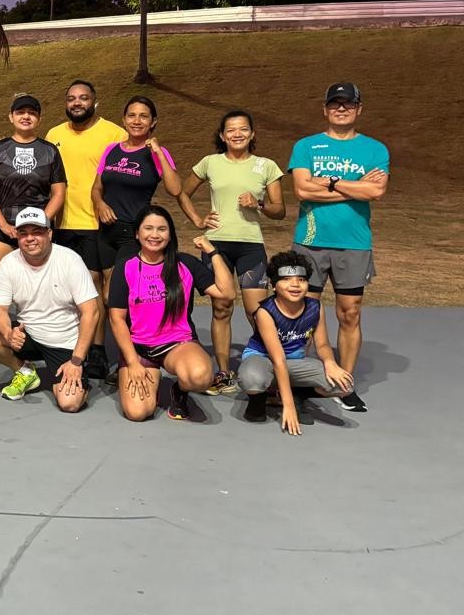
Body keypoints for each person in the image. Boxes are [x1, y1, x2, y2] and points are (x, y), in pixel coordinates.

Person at [288, 82, 389, 413]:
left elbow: (376, 193)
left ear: (359, 109)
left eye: (348, 104)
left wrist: (330, 182)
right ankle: (302, 379)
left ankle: (343, 382)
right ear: (325, 108)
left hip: (354, 243)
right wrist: (355, 187)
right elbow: (302, 191)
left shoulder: (375, 149)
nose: (341, 109)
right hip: (311, 241)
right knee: (304, 312)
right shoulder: (307, 146)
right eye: (335, 104)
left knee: (350, 312)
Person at [178, 110, 285, 397]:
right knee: (221, 307)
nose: (237, 134)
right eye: (231, 130)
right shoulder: (210, 163)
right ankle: (224, 373)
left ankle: (274, 369)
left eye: (243, 129)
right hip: (216, 246)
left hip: (250, 246)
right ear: (223, 136)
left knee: (258, 313)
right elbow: (182, 192)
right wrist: (199, 220)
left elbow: (279, 210)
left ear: (252, 134)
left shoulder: (266, 166)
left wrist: (259, 203)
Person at [107, 207, 234, 422]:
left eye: (161, 229)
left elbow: (227, 293)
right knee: (138, 413)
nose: (155, 235)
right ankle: (147, 378)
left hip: (177, 344)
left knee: (201, 377)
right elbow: (116, 319)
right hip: (139, 348)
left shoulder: (185, 263)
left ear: (170, 234)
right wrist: (133, 363)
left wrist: (212, 253)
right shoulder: (125, 268)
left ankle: (179, 391)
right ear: (137, 234)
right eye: (148, 228)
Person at [0, 208, 99, 412]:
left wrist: (76, 360)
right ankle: (25, 371)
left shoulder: (70, 261)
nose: (30, 238)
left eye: (37, 232)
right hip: (29, 335)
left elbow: (91, 312)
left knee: (70, 404)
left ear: (49, 233)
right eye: (23, 233)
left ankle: (78, 371)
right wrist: (8, 333)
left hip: (65, 342)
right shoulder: (8, 264)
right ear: (16, 236)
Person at [45, 80, 127, 381]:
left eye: (83, 98)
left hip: (100, 223)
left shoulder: (114, 134)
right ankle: (78, 347)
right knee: (75, 292)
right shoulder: (54, 135)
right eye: (71, 98)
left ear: (95, 101)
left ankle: (101, 351)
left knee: (102, 292)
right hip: (65, 225)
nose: (77, 102)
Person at [0, 94, 66, 352]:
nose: (26, 116)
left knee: (38, 287)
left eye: (31, 112)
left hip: (36, 231)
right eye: (20, 112)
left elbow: (59, 192)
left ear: (38, 118)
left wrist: (42, 223)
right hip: (5, 226)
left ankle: (37, 342)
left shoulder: (49, 151)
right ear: (11, 117)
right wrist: (4, 226)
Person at [237, 251, 354, 433]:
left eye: (301, 279)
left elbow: (322, 345)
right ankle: (259, 398)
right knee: (252, 380)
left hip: (294, 363)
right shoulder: (265, 312)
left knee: (345, 385)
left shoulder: (315, 307)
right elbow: (278, 360)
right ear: (274, 286)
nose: (295, 285)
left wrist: (330, 363)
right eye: (286, 279)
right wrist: (288, 406)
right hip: (264, 359)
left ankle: (297, 392)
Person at [91, 96, 182, 276]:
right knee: (99, 284)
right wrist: (101, 205)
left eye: (143, 116)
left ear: (153, 121)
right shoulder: (111, 149)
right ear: (124, 120)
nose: (137, 121)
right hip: (105, 230)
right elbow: (96, 188)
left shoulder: (158, 153)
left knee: (115, 289)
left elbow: (175, 190)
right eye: (131, 116)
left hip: (133, 231)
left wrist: (158, 152)